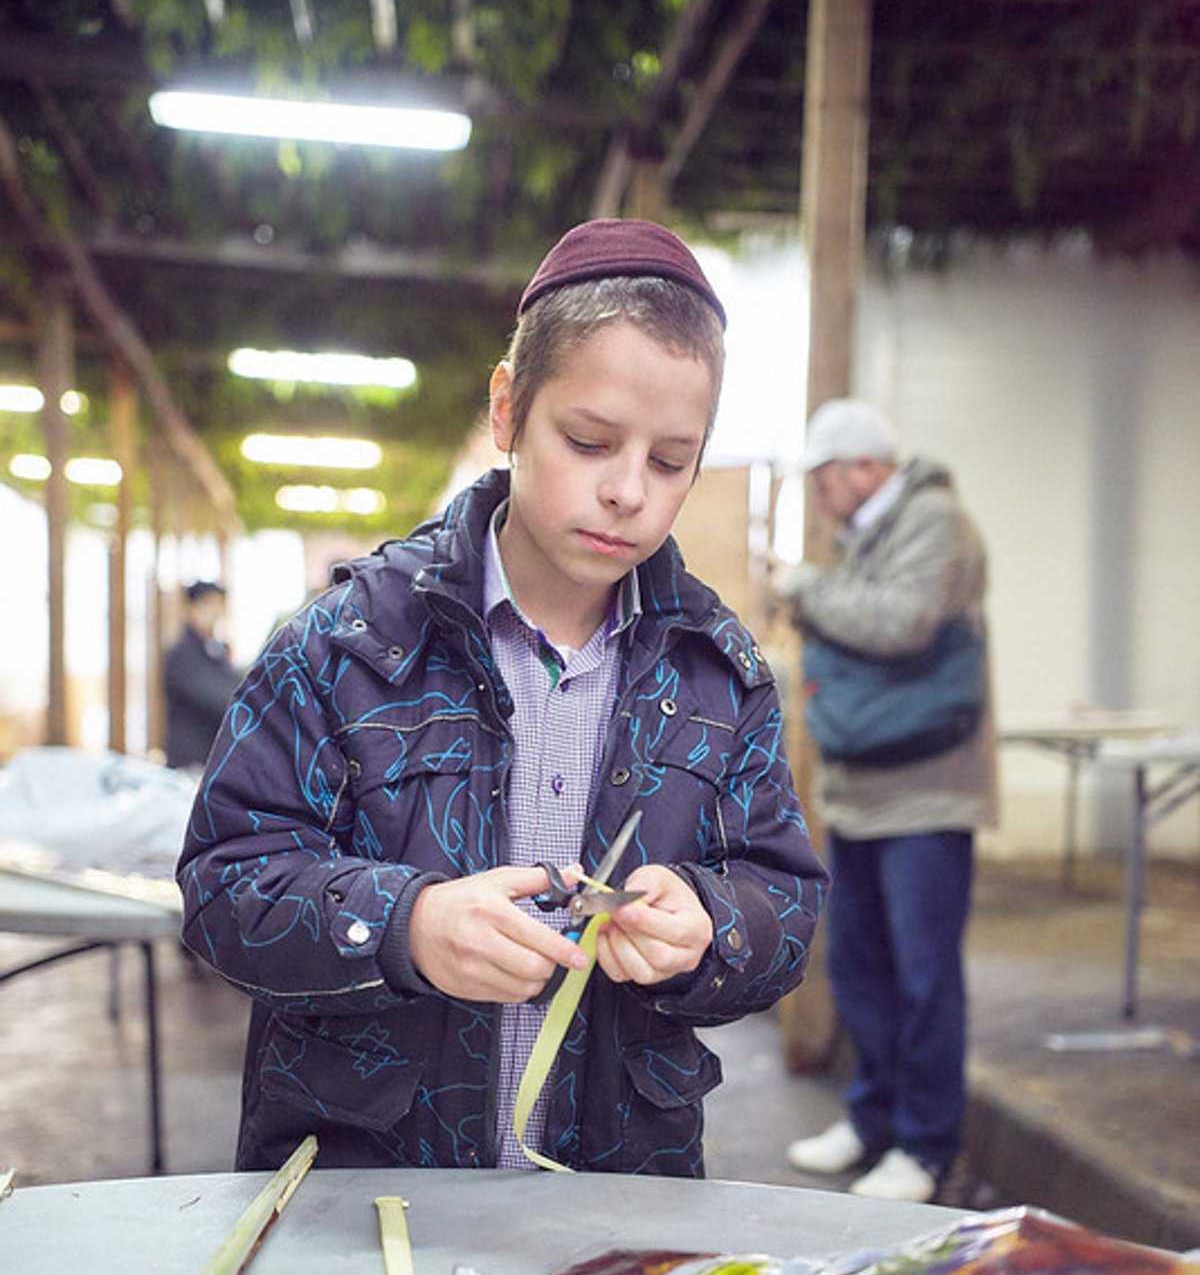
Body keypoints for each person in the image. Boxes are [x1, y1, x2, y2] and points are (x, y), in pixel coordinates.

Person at [177, 218, 828, 1174]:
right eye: (590, 439)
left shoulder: (717, 675)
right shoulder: (348, 642)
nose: (627, 491)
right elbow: (224, 881)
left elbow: (786, 905)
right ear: (508, 407)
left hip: (614, 1198)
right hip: (367, 1198)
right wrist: (407, 926)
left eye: (670, 459)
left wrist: (710, 924)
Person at [777, 398, 997, 1203]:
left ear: (863, 467)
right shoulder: (868, 535)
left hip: (928, 792)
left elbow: (902, 621)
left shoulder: (935, 521)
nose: (817, 496)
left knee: (923, 973)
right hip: (868, 789)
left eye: (822, 478)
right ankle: (874, 1119)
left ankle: (926, 1143)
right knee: (861, 964)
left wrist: (805, 587)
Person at [163, 581, 241, 771]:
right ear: (191, 609)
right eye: (208, 605)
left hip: (213, 757)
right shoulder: (182, 653)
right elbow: (217, 699)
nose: (215, 613)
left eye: (219, 605)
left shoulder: (217, 649)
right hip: (191, 760)